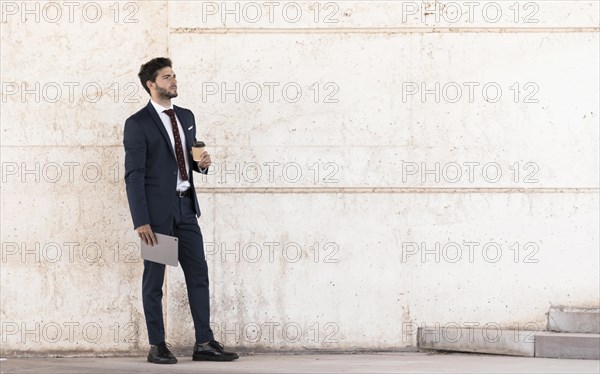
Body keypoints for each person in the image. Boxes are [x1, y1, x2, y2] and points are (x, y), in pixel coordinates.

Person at [123, 57, 238, 364]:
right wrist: (141, 220)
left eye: (174, 75)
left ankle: (204, 342)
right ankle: (157, 344)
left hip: (186, 208)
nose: (174, 80)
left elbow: (185, 158)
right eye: (166, 77)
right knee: (155, 279)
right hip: (158, 216)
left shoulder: (186, 116)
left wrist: (201, 166)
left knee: (198, 274)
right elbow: (133, 174)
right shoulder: (138, 124)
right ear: (151, 84)